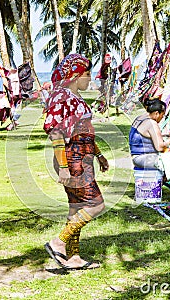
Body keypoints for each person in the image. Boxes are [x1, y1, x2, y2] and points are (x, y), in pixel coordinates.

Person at [43, 54, 109, 270]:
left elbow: (84, 131)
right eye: (87, 74)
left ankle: (73, 258)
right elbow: (56, 133)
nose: (90, 78)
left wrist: (98, 155)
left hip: (82, 156)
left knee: (76, 207)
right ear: (74, 75)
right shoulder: (62, 98)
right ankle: (58, 242)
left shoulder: (74, 97)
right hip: (74, 159)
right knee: (96, 204)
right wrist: (63, 167)